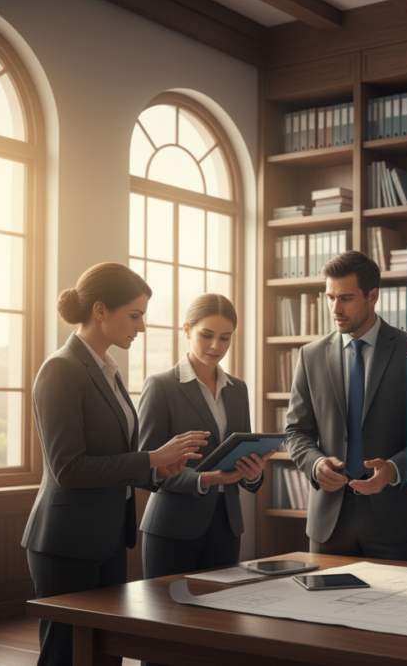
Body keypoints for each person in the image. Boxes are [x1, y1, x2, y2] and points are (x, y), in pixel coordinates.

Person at [22, 263, 208, 666]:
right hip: (66, 543)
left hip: (108, 538)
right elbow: (68, 469)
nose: (141, 327)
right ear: (101, 310)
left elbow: (113, 455)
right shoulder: (61, 369)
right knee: (66, 656)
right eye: (135, 315)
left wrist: (157, 469)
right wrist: (151, 457)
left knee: (106, 654)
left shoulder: (108, 371)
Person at [137, 293, 272, 666]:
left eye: (225, 337)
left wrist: (252, 475)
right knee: (164, 634)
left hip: (226, 525)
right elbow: (148, 468)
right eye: (206, 335)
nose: (216, 346)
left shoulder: (238, 389)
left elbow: (243, 453)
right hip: (172, 527)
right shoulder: (160, 386)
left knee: (218, 629)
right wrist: (204, 479)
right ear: (186, 330)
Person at [283, 250, 407, 561]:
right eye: (330, 297)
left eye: (346, 298)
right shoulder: (310, 355)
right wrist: (315, 464)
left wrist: (394, 469)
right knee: (323, 609)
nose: (335, 309)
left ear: (373, 296)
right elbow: (296, 431)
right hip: (330, 520)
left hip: (397, 516)